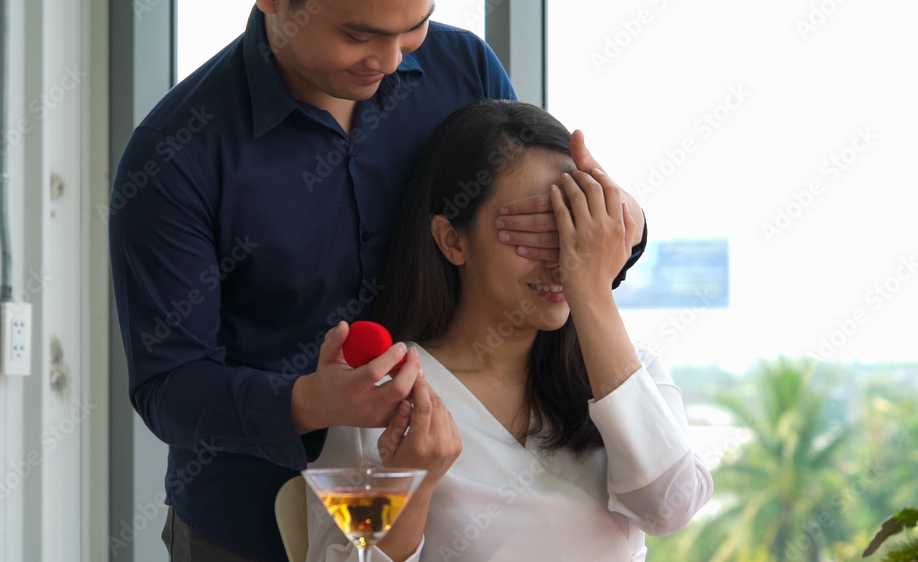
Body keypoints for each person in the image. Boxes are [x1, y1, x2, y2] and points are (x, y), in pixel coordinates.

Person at [108, 1, 647, 560]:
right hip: (247, 526)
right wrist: (308, 403)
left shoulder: (465, 69)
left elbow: (532, 240)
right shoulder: (175, 154)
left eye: (414, 28)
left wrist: (621, 222)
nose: (390, 60)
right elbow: (168, 386)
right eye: (358, 34)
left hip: (455, 518)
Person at [305, 99, 712, 562]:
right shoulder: (384, 395)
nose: (562, 259)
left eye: (573, 229)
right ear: (452, 239)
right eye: (534, 231)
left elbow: (669, 509)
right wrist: (411, 491)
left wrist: (594, 292)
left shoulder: (625, 370)